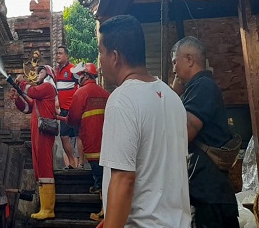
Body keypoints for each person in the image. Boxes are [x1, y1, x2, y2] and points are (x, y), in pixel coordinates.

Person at [97, 15, 190, 228]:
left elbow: (124, 180)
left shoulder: (121, 100)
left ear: (115, 56)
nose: (99, 61)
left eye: (101, 52)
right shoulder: (172, 98)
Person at [171, 36, 239, 228]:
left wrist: (172, 95)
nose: (174, 69)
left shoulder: (203, 86)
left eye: (175, 62)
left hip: (209, 196)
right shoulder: (196, 87)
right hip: (209, 194)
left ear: (189, 59)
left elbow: (184, 133)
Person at [9, 64, 58, 220]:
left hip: (44, 132)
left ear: (49, 74)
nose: (37, 74)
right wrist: (17, 97)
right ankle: (44, 208)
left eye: (41, 71)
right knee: (39, 167)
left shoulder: (48, 87)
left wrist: (22, 82)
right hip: (37, 132)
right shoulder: (40, 95)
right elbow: (27, 107)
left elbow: (31, 92)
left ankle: (48, 209)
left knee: (44, 166)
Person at [66, 62, 110, 223]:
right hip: (108, 143)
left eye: (79, 75)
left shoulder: (81, 93)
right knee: (106, 175)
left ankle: (105, 212)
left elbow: (73, 118)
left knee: (100, 176)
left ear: (85, 75)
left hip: (92, 142)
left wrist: (67, 120)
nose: (78, 78)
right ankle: (99, 191)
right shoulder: (106, 94)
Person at [54, 46, 80, 169]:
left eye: (60, 53)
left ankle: (80, 163)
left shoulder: (73, 69)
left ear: (66, 56)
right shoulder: (57, 71)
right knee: (64, 136)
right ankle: (71, 162)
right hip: (63, 110)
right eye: (57, 53)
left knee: (77, 136)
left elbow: (82, 84)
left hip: (73, 109)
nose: (58, 55)